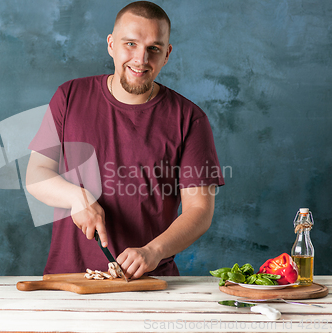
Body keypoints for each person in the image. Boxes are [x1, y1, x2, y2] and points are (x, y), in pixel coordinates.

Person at [26, 1, 224, 279]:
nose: (141, 59)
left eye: (153, 48)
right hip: (68, 278)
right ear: (111, 44)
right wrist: (76, 197)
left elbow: (200, 210)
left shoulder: (190, 118)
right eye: (130, 44)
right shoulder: (69, 96)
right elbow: (36, 174)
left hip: (150, 281)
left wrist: (154, 251)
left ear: (166, 54)